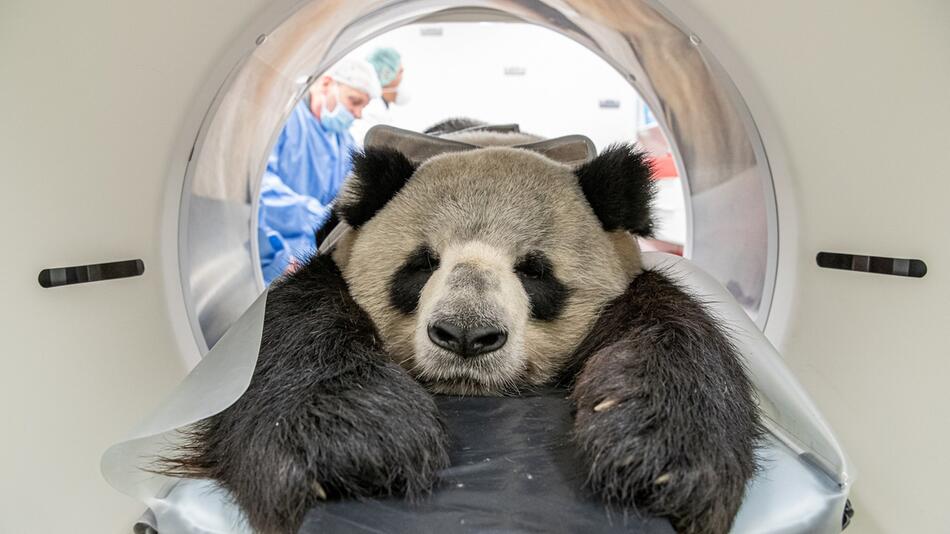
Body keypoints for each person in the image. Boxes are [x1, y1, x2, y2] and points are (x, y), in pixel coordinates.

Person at [258, 58, 381, 283]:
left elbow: (344, 200)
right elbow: (259, 189)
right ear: (326, 84)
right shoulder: (283, 121)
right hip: (267, 254)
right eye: (354, 102)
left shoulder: (344, 142)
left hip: (311, 256)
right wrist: (314, 216)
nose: (358, 113)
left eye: (363, 107)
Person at [350, 47, 410, 144]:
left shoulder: (381, 107)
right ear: (386, 74)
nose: (402, 77)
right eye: (400, 72)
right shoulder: (372, 109)